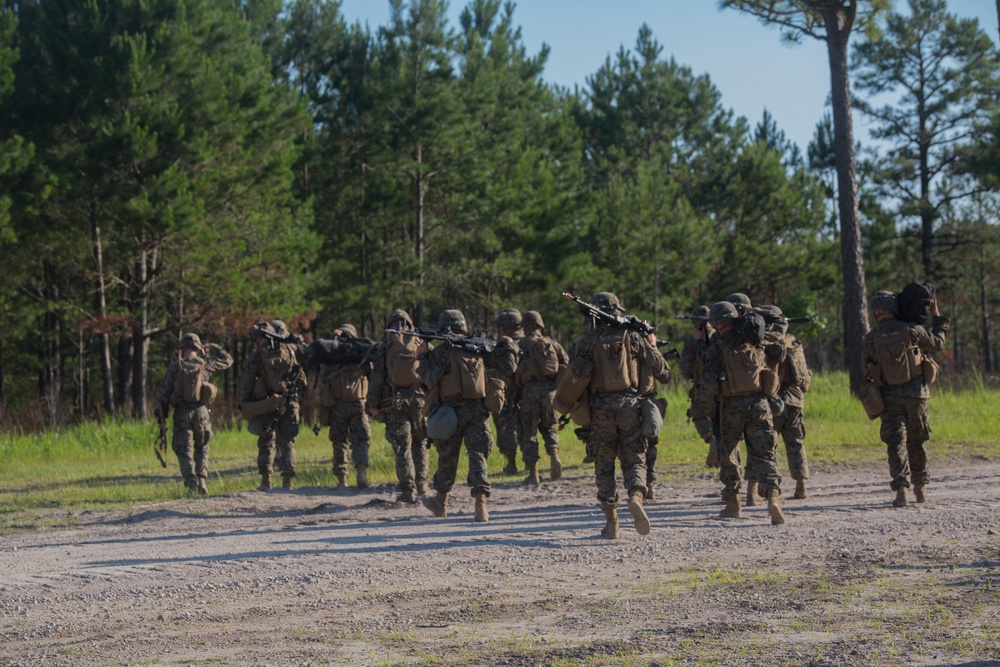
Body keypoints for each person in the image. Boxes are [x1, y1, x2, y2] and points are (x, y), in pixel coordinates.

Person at [564, 292, 670, 539]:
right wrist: (651, 344)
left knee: (603, 464)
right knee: (634, 459)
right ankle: (636, 496)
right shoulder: (633, 338)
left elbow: (574, 378)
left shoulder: (586, 341)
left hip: (599, 411)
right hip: (630, 407)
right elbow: (664, 373)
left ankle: (611, 522)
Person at [418, 309, 518, 523]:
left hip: (449, 412)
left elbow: (429, 378)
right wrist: (508, 345)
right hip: (477, 412)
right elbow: (508, 366)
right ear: (463, 326)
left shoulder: (443, 351)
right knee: (478, 456)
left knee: (447, 458)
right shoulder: (478, 348)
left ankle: (440, 502)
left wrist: (423, 355)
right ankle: (481, 505)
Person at [698, 301, 786, 524]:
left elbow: (708, 386)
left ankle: (733, 504)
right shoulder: (756, 339)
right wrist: (760, 311)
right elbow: (779, 324)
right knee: (765, 453)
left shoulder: (717, 348)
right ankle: (773, 497)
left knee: (729, 455)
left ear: (717, 324)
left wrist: (709, 413)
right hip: (759, 404)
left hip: (729, 408)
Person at [862, 290, 948, 507]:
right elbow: (938, 343)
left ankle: (901, 489)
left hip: (889, 397)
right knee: (917, 441)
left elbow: (867, 368)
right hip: (917, 395)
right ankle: (921, 488)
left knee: (896, 443)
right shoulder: (912, 330)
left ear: (876, 311)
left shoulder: (871, 338)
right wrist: (937, 317)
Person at [367, 309, 431, 503]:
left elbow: (377, 376)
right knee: (421, 443)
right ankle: (423, 486)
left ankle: (407, 490)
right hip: (420, 399)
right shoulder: (421, 342)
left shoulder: (385, 345)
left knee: (403, 446)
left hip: (395, 402)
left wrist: (373, 404)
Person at [158, 333, 233, 495]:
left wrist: (162, 416)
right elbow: (228, 360)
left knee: (184, 450)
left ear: (182, 348)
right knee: (202, 446)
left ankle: (191, 483)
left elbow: (164, 394)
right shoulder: (205, 364)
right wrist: (214, 347)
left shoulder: (175, 366)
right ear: (198, 348)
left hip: (182, 413)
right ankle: (202, 479)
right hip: (201, 412)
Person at [239, 321, 307, 491]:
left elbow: (247, 382)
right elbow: (302, 380)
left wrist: (245, 403)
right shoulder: (291, 350)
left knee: (266, 441)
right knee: (287, 442)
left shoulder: (257, 355)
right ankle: (287, 483)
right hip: (290, 402)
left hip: (267, 403)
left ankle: (266, 481)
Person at [759, 305, 812, 499]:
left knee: (766, 445)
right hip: (795, 400)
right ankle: (801, 485)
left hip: (772, 402)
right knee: (796, 443)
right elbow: (804, 379)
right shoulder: (794, 344)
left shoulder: (764, 344)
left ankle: (765, 488)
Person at [515, 310, 569, 485]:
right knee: (550, 428)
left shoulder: (520, 345)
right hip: (550, 392)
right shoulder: (552, 344)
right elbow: (566, 364)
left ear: (525, 327)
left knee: (529, 433)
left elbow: (511, 369)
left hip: (529, 392)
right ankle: (554, 456)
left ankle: (534, 474)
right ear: (540, 326)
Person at [320, 324, 374, 489]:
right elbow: (372, 374)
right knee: (360, 440)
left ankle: (342, 480)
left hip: (338, 405)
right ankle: (361, 473)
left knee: (339, 441)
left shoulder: (332, 355)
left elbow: (323, 376)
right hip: (359, 404)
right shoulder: (361, 354)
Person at [679, 305, 717, 469]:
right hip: (724, 386)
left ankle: (712, 438)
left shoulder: (693, 340)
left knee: (699, 416)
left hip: (702, 387)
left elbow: (686, 371)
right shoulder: (722, 335)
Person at [492, 308, 523, 475]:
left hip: (507, 395)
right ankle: (533, 466)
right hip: (527, 394)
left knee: (506, 429)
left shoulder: (502, 344)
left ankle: (511, 464)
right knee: (528, 430)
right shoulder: (529, 342)